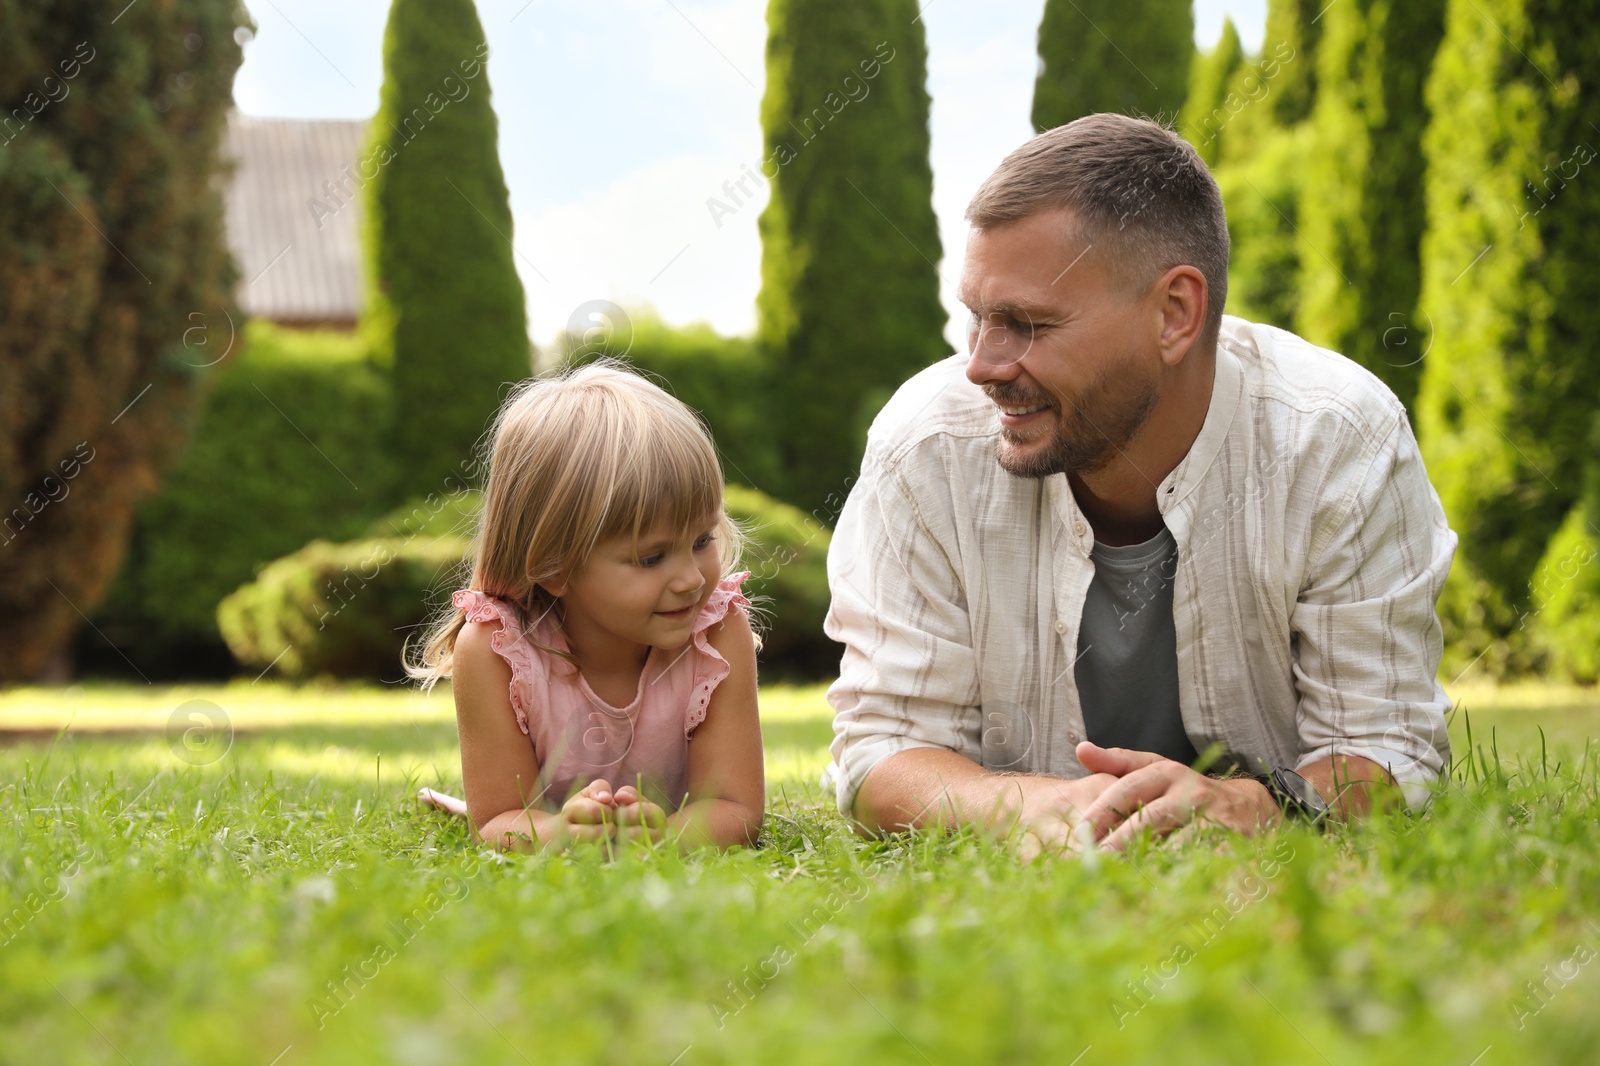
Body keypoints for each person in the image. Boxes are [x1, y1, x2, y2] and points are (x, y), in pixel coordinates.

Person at [822, 113, 1457, 858]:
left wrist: (1252, 805)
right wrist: (1030, 806)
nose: (983, 365)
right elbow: (879, 752)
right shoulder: (924, 448)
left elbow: (1388, 745)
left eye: (1026, 323)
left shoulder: (1339, 441)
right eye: (977, 317)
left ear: (1175, 313)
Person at [409, 361, 765, 852]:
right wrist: (562, 833)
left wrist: (665, 838)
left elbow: (736, 809)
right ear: (554, 567)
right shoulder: (495, 651)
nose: (690, 579)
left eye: (703, 539)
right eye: (651, 557)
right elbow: (495, 822)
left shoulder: (717, 634)